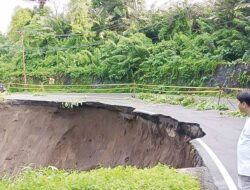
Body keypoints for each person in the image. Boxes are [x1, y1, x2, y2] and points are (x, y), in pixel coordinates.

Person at [237, 90, 250, 190]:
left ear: (244, 104)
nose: (237, 105)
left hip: (247, 171)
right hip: (244, 169)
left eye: (238, 102)